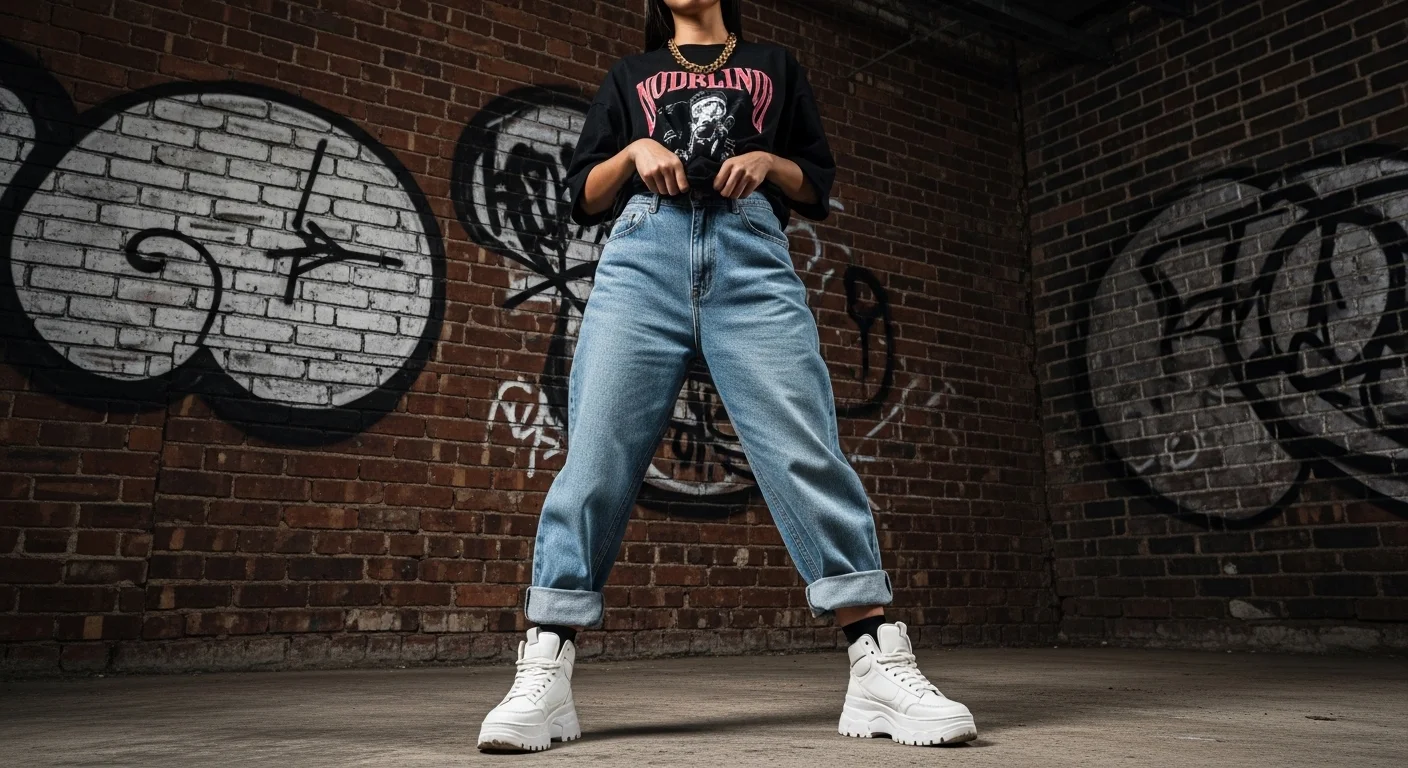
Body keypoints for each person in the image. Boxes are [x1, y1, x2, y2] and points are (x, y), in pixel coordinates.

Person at [476, 0, 978, 752]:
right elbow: (584, 192)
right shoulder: (630, 75)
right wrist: (635, 151)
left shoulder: (776, 66)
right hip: (643, 256)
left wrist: (772, 163)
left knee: (803, 448)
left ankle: (876, 661)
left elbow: (816, 181)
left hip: (752, 255)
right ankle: (546, 664)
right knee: (596, 455)